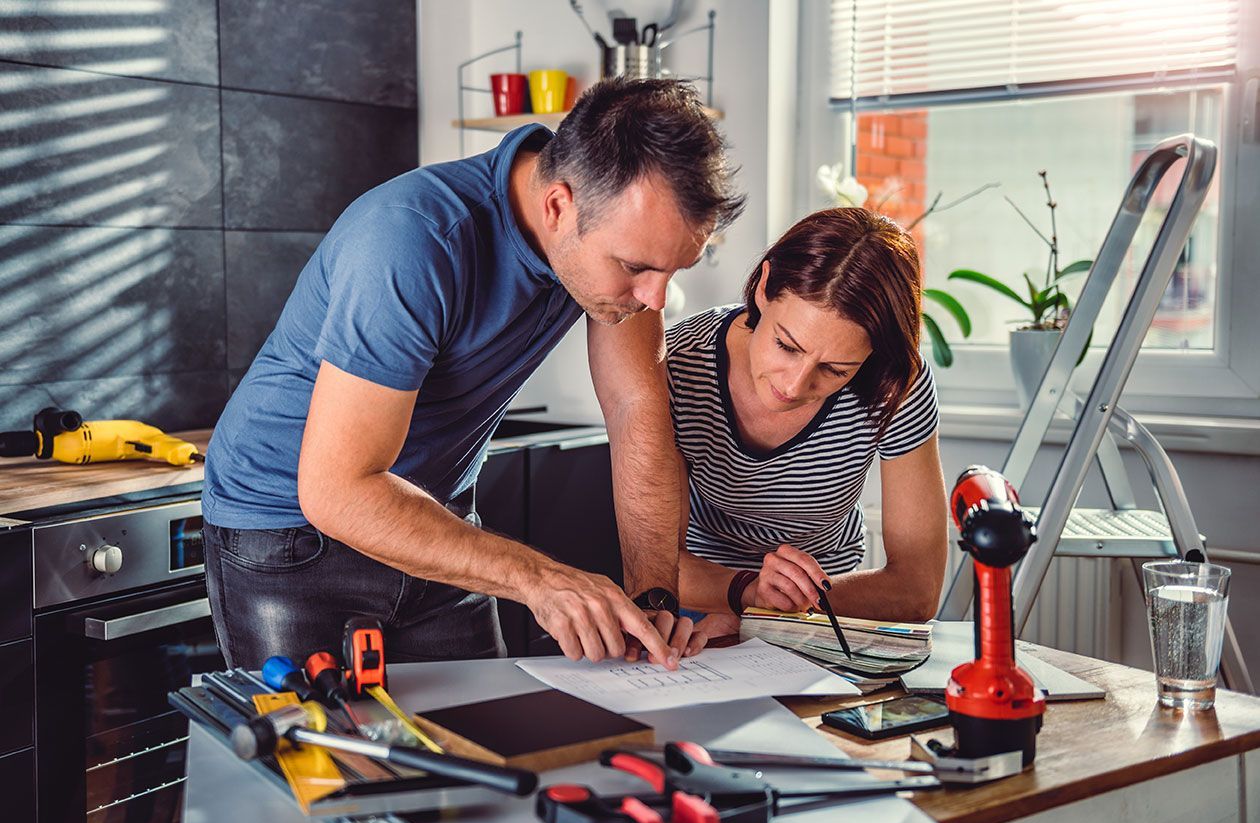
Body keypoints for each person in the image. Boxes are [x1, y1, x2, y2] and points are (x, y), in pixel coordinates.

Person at [200, 78, 745, 669]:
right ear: (558, 206)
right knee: (330, 758)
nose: (655, 297)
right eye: (637, 267)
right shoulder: (411, 239)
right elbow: (338, 489)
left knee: (483, 748)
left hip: (433, 517)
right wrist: (540, 578)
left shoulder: (608, 244)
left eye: (672, 270)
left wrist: (654, 597)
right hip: (292, 531)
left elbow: (638, 413)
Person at [662, 208, 949, 654]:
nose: (795, 386)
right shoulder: (678, 364)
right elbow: (653, 562)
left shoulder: (896, 384)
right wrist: (747, 593)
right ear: (762, 287)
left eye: (835, 369)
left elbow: (917, 589)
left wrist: (776, 611)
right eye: (786, 345)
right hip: (697, 607)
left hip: (828, 613)